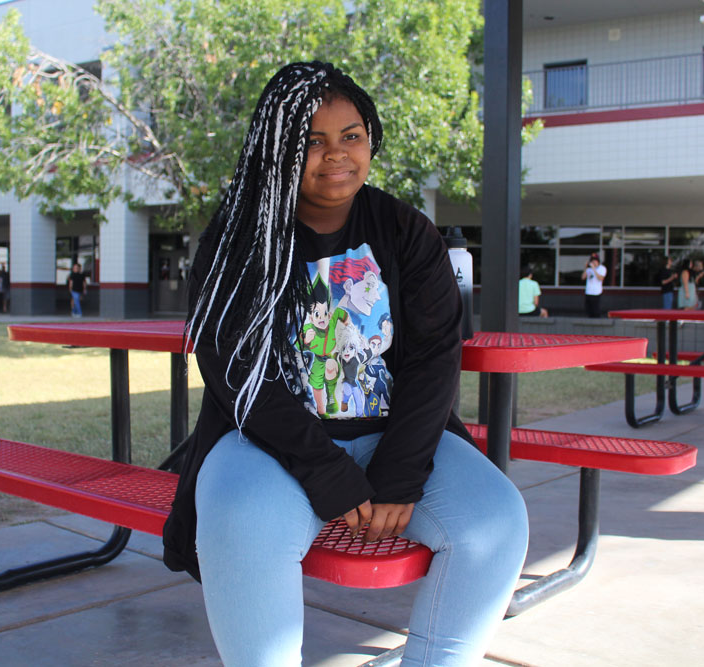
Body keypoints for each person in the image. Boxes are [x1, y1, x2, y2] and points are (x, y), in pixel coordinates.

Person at [161, 61, 528, 667]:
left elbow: (436, 359)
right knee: (239, 521)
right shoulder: (238, 236)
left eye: (351, 135)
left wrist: (399, 475)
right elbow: (234, 368)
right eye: (311, 140)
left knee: (496, 520)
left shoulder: (406, 231)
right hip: (269, 447)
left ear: (370, 139)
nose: (337, 154)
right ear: (278, 150)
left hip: (397, 436)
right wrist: (327, 473)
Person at [583, 252, 606, 318]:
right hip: (588, 291)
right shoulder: (589, 269)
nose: (593, 262)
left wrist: (594, 269)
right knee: (588, 309)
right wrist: (585, 267)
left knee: (595, 309)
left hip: (596, 292)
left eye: (595, 260)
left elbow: (600, 278)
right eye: (592, 261)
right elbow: (583, 277)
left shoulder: (602, 268)